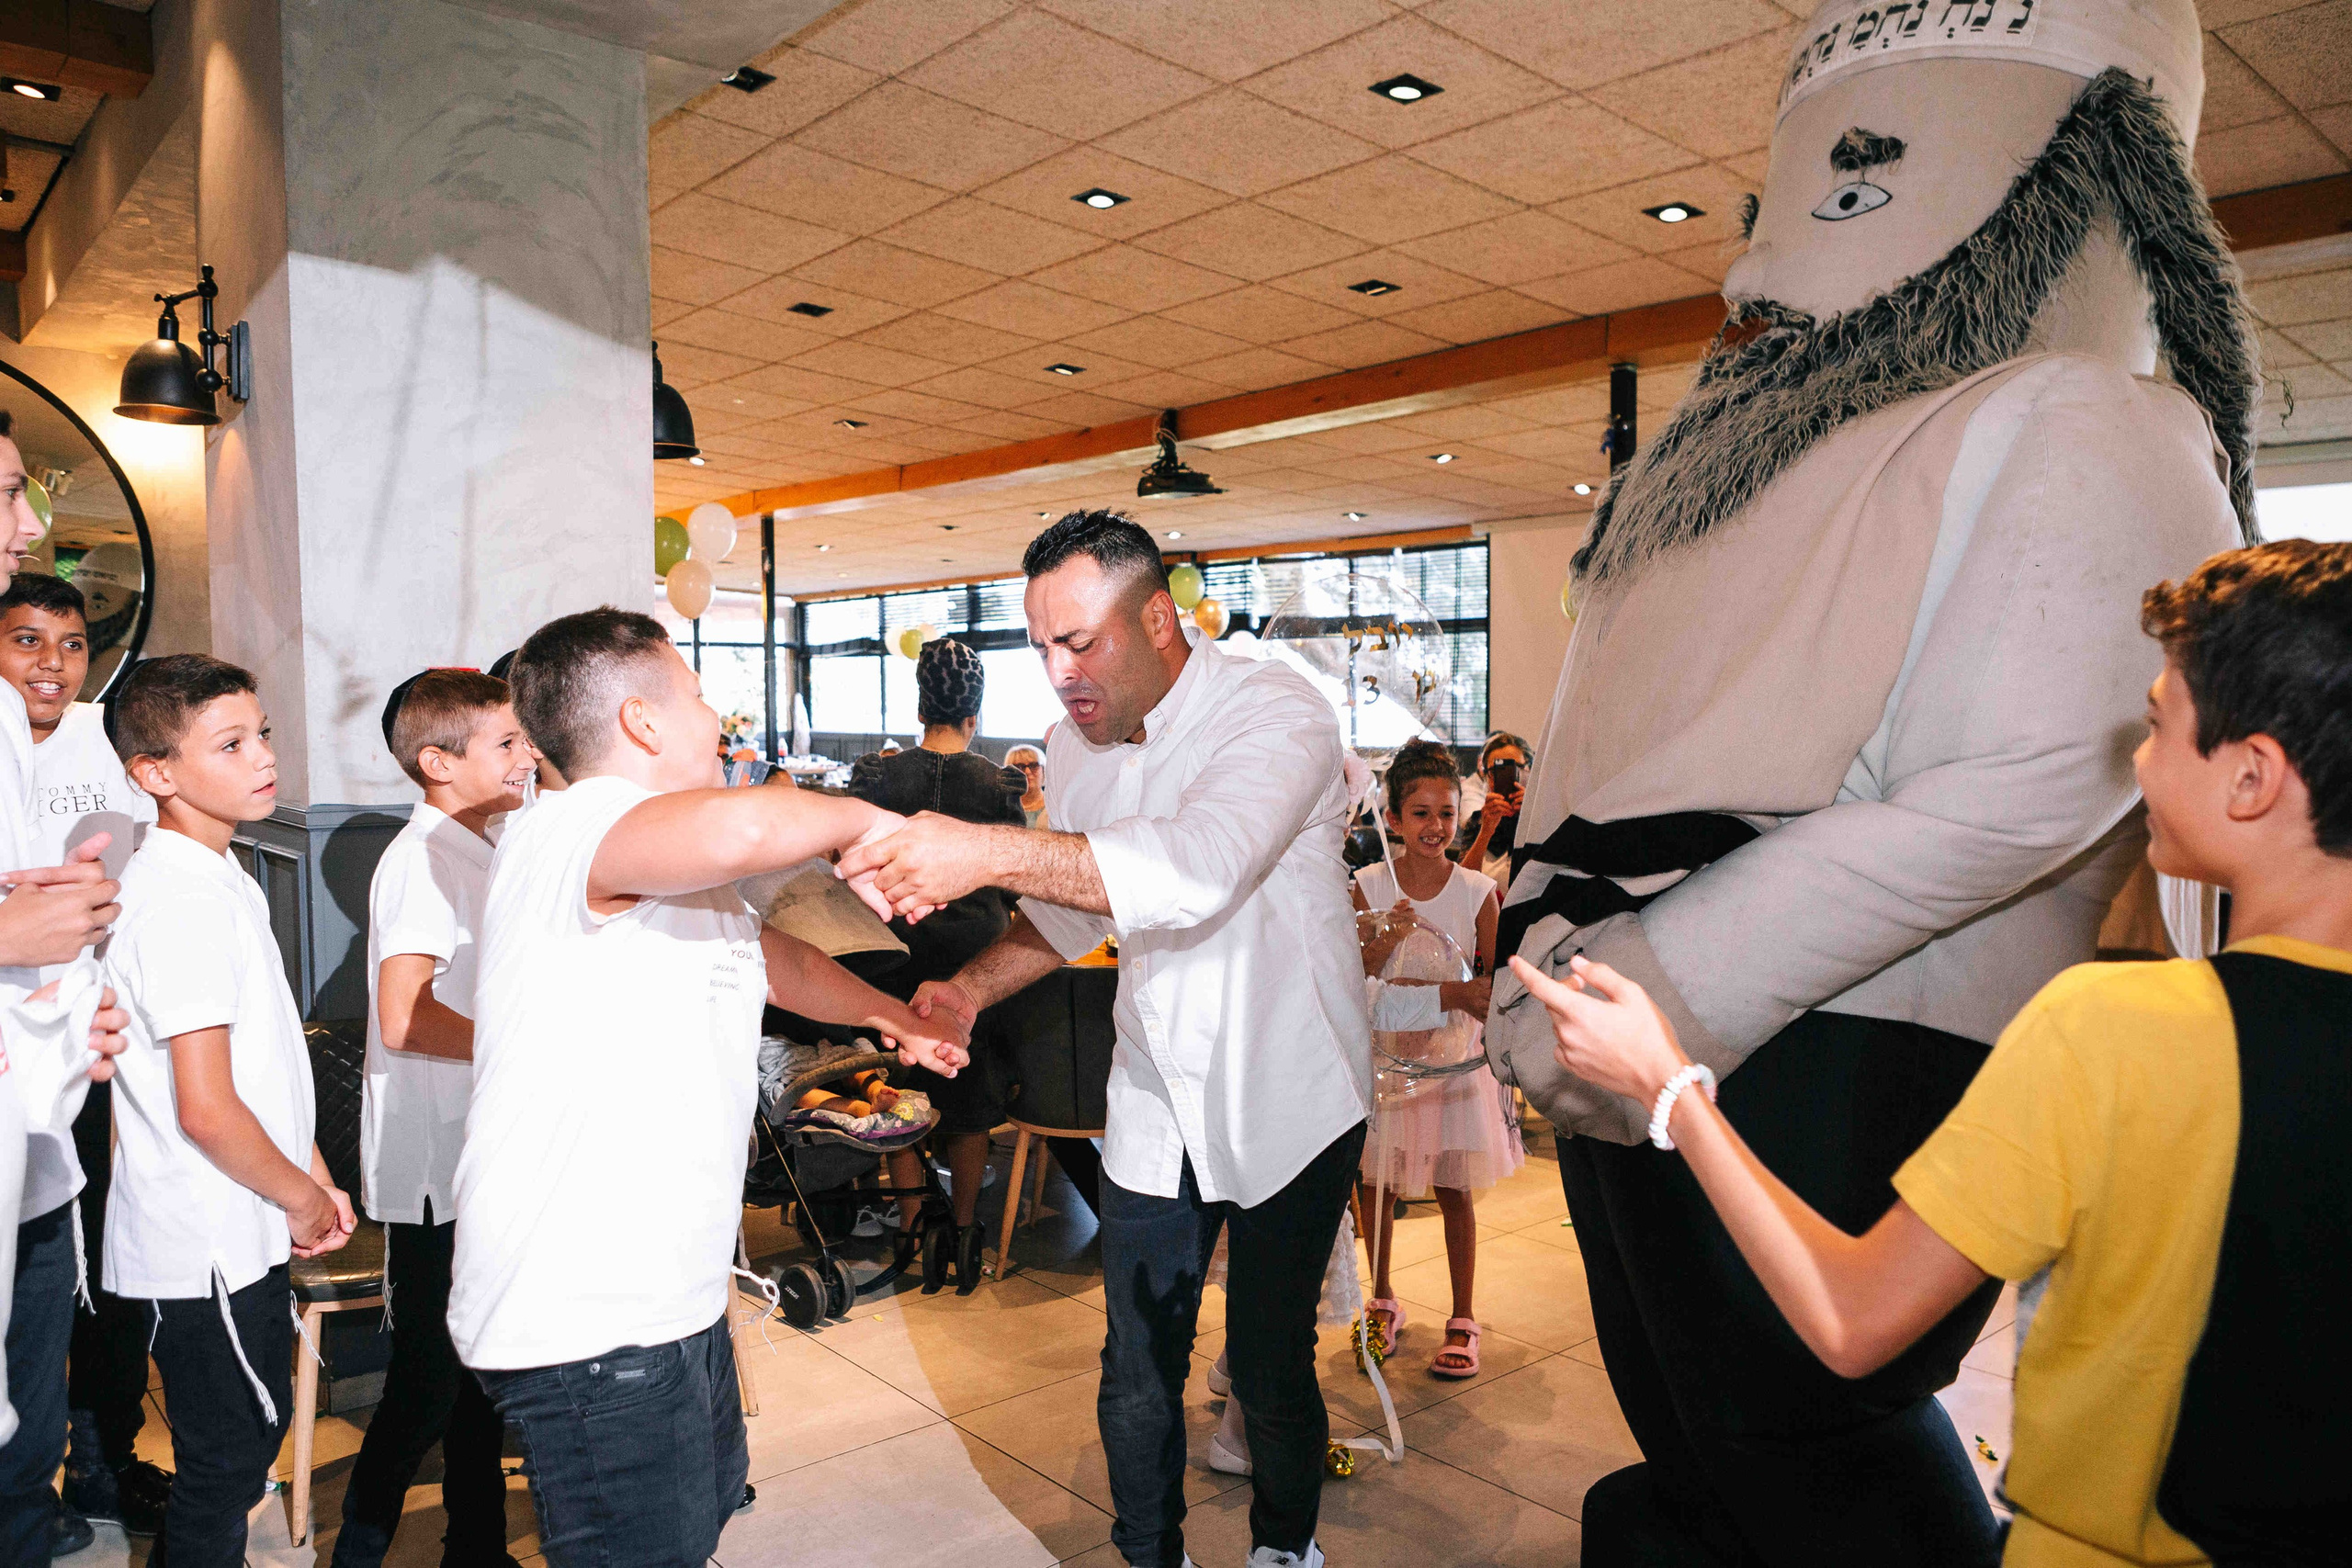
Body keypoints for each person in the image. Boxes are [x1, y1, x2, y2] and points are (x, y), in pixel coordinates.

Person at [1512, 540, 2352, 1566]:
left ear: (2253, 777)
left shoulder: (2120, 1031)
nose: (2134, 765)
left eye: (2157, 729)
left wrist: (1667, 1084)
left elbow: (1850, 1319)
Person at [840, 510, 1370, 1568]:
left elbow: (1198, 868)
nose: (1058, 672)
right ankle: (1147, 1556)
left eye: (1079, 642)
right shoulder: (1079, 750)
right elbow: (1084, 910)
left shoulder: (1277, 712)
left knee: (1267, 1362)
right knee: (1134, 1365)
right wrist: (968, 990)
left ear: (1161, 620)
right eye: (1039, 647)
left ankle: (1283, 1549)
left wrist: (984, 850)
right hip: (1154, 1101)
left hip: (1291, 1088)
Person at [447, 607, 969, 1568]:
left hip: (669, 1296)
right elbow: (750, 822)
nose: (712, 711)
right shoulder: (571, 831)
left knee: (696, 1532)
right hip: (589, 1314)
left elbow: (769, 956)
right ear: (642, 722)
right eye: (693, 692)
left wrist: (889, 1017)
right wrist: (883, 825)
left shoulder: (659, 861)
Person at [103, 654, 356, 1568]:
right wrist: (298, 1197)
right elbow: (205, 1110)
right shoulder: (174, 897)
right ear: (156, 774)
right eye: (232, 743)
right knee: (229, 1461)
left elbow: (265, 1062)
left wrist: (314, 1175)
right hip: (203, 1235)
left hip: (244, 1212)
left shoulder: (222, 874)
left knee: (243, 1445)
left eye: (263, 735)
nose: (263, 758)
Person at [332, 671, 534, 1568]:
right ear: (437, 762)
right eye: (506, 743)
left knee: (476, 1375)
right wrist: (522, 1047)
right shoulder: (419, 858)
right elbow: (406, 1015)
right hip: (432, 1166)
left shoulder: (483, 845)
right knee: (427, 1378)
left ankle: (476, 1544)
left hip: (477, 1147)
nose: (527, 755)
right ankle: (361, 1539)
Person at [0, 413, 141, 1565]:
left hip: (79, 1062)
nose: (51, 664)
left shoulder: (92, 742)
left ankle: (75, 1470)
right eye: (25, 641)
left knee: (74, 1280)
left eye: (69, 643)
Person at [843, 637, 1025, 1290]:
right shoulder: (998, 783)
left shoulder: (881, 777)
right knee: (970, 1095)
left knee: (905, 1084)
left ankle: (913, 1225)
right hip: (976, 954)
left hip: (897, 947)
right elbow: (1013, 878)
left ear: (921, 706)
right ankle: (970, 1231)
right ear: (974, 712)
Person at [1351, 739, 1520, 1379]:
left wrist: (1489, 1003)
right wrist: (1381, 939)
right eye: (1420, 813)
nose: (1435, 826)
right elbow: (1353, 982)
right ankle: (1382, 1293)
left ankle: (1463, 1313)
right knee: (1376, 1183)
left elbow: (1492, 980)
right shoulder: (1367, 887)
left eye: (1446, 813)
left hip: (1452, 1064)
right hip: (1388, 1061)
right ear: (1392, 818)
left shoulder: (1477, 890)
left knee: (1455, 1185)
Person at [1453, 732, 1527, 883]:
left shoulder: (1546, 817)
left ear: (1529, 770)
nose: (1508, 777)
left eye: (1515, 769)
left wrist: (1532, 815)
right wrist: (1486, 830)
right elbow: (1463, 884)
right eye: (1497, 771)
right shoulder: (1478, 821)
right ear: (1486, 776)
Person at [1007, 744, 1048, 828]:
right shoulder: (1000, 808)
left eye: (1033, 766)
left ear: (1044, 771)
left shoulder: (1053, 807)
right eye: (1019, 767)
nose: (1027, 772)